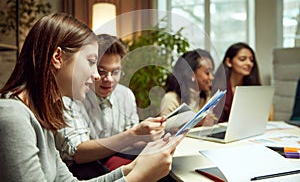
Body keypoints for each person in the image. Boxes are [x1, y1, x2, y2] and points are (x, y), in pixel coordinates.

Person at [0, 12, 184, 182]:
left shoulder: (41, 117)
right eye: (91, 62)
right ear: (58, 57)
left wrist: (132, 168)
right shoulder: (13, 116)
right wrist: (138, 177)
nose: (97, 75)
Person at [54, 34, 166, 179]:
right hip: (81, 171)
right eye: (101, 71)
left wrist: (153, 134)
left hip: (117, 161)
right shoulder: (69, 96)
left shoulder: (125, 95)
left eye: (116, 72)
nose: (109, 79)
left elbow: (132, 142)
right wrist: (132, 135)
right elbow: (78, 153)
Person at [160, 48, 216, 126]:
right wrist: (197, 123)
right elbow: (164, 131)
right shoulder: (171, 99)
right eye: (207, 72)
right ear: (191, 74)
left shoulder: (206, 96)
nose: (212, 77)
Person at [213, 42, 261, 123]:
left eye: (251, 60)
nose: (249, 63)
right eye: (242, 59)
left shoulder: (253, 87)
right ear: (229, 62)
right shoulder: (217, 87)